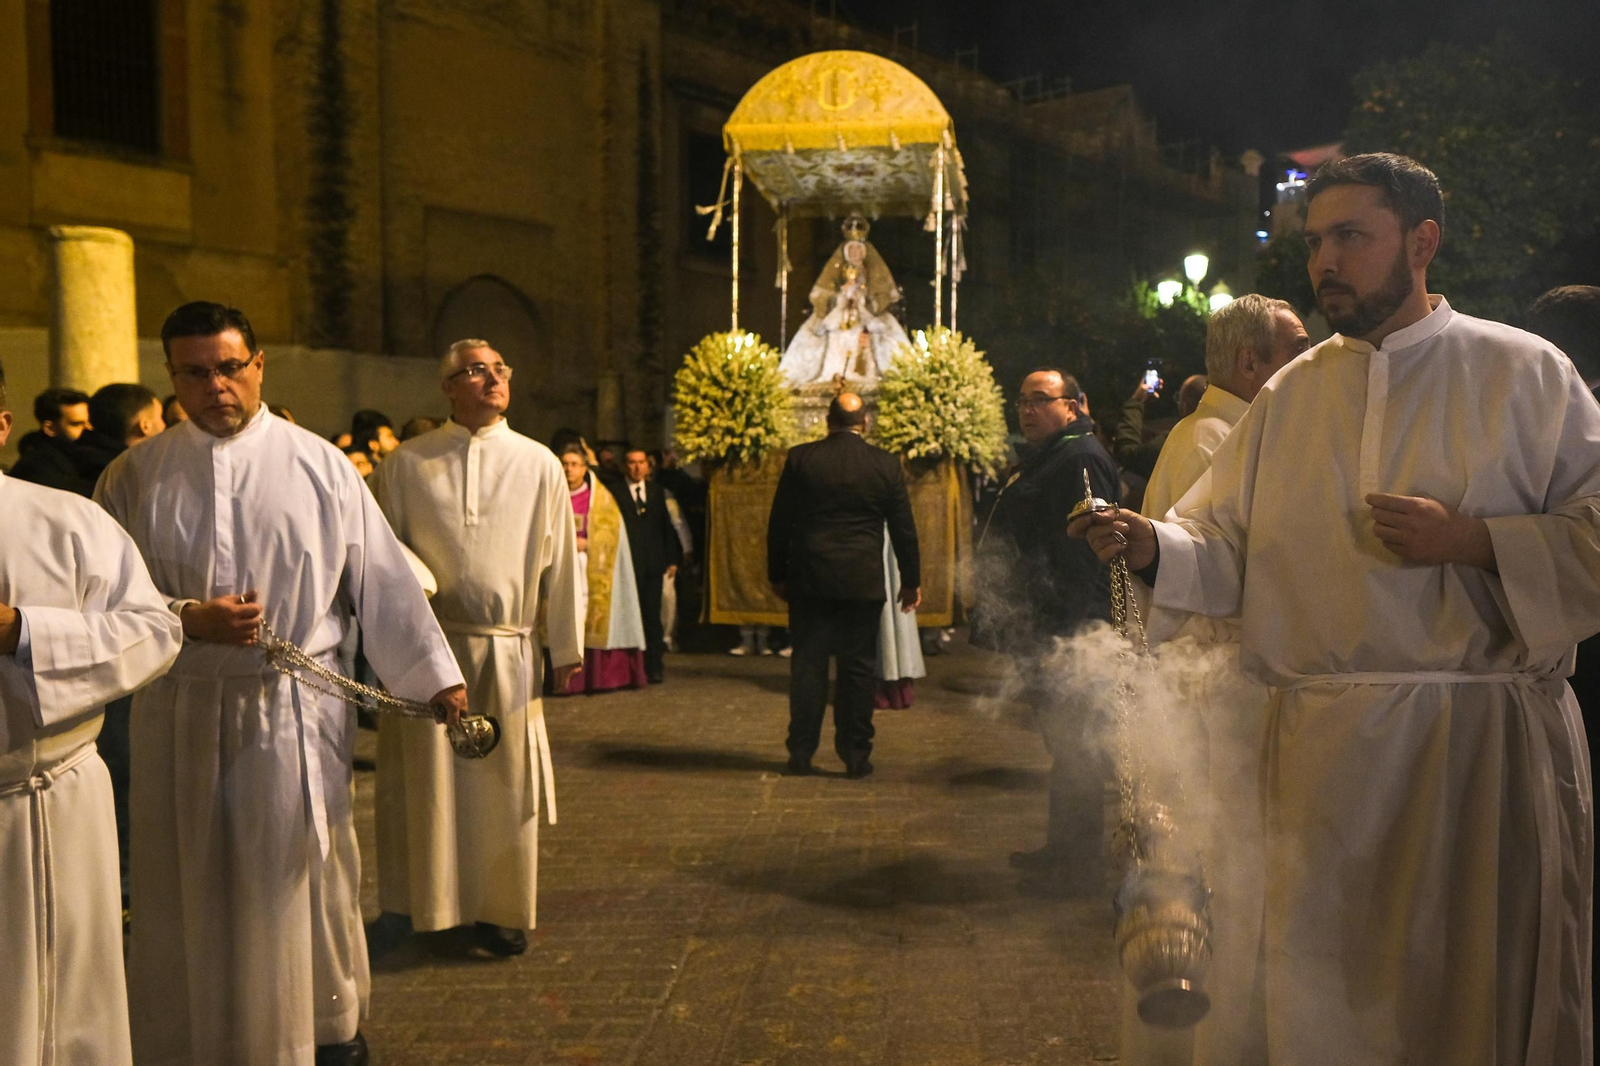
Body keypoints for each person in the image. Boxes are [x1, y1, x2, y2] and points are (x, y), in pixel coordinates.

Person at [1073, 153, 1594, 1063]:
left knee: (1460, 1002)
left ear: (1422, 241)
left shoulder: (1526, 371)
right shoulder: (1293, 389)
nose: (1324, 262)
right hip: (1318, 766)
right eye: (1315, 241)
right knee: (1325, 1005)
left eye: (1351, 236)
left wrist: (1474, 540)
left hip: (1466, 762)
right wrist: (1152, 544)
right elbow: (1226, 542)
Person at [96, 301, 468, 1066]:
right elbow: (101, 594)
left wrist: (437, 680)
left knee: (299, 869)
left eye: (230, 367)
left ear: (258, 364)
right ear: (172, 377)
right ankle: (195, 1031)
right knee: (188, 871)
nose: (216, 386)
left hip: (290, 707)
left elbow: (385, 580)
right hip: (182, 702)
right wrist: (183, 617)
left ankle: (321, 1029)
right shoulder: (136, 474)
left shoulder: (320, 464)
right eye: (195, 373)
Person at [1122, 296, 1308, 1066]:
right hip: (1219, 687)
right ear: (1250, 363)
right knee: (1223, 875)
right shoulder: (1215, 435)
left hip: (1223, 683)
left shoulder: (1231, 428)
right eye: (1298, 347)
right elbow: (1229, 570)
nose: (1315, 357)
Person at [370, 338, 584, 959]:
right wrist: (392, 641)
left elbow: (562, 561)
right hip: (427, 646)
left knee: (501, 785)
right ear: (447, 388)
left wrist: (564, 645)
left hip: (509, 647)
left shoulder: (540, 462)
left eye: (499, 370)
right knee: (423, 784)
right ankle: (416, 904)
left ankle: (500, 910)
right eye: (475, 371)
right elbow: (383, 556)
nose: (491, 379)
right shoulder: (407, 464)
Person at [0, 357, 183, 1066]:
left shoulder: (67, 520)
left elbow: (153, 632)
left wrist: (25, 632)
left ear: (4, 424)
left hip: (54, 797)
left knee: (72, 999)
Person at [971, 367, 1119, 898]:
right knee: (1066, 748)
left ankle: (1078, 869)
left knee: (1078, 748)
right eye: (1022, 400)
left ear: (1074, 406)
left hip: (1068, 629)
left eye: (1041, 400)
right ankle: (1063, 852)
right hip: (1049, 623)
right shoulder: (1056, 454)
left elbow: (1088, 552)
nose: (1027, 410)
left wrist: (1074, 640)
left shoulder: (1079, 457)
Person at [767, 393, 921, 778]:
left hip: (811, 578)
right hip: (861, 581)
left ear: (826, 420)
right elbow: (904, 528)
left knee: (808, 669)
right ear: (864, 422)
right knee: (857, 671)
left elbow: (780, 521)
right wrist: (910, 581)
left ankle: (801, 752)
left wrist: (778, 574)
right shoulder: (884, 464)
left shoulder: (802, 458)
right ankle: (856, 754)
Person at [1142, 297, 1308, 519]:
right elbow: (1207, 552)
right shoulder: (1207, 446)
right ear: (1249, 363)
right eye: (1299, 352)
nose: (1311, 364)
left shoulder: (1240, 434)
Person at [556, 442, 647, 693]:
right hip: (559, 567)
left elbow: (612, 535)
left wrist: (589, 542)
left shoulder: (601, 498)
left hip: (589, 567)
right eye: (564, 464)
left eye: (574, 464)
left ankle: (593, 677)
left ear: (585, 468)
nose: (568, 469)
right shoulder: (552, 495)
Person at [778, 215, 910, 386]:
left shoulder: (871, 271)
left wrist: (865, 302)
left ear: (863, 252)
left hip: (866, 314)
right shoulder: (837, 270)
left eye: (858, 249)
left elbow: (882, 293)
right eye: (851, 249)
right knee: (820, 335)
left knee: (886, 337)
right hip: (840, 314)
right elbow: (823, 293)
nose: (855, 253)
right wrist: (840, 298)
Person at [620, 446, 682, 684]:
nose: (637, 468)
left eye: (641, 462)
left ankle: (654, 665)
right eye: (632, 463)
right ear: (626, 466)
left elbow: (666, 527)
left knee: (652, 618)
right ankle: (629, 668)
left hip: (653, 565)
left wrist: (672, 558)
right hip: (627, 566)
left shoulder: (657, 492)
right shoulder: (615, 493)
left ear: (648, 465)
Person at [74, 383, 164, 489]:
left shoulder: (72, 459)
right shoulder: (129, 475)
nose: (165, 425)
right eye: (161, 417)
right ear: (145, 426)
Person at [8, 386, 91, 492]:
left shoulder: (83, 455)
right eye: (76, 424)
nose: (89, 428)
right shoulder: (37, 468)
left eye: (90, 421)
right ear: (50, 428)